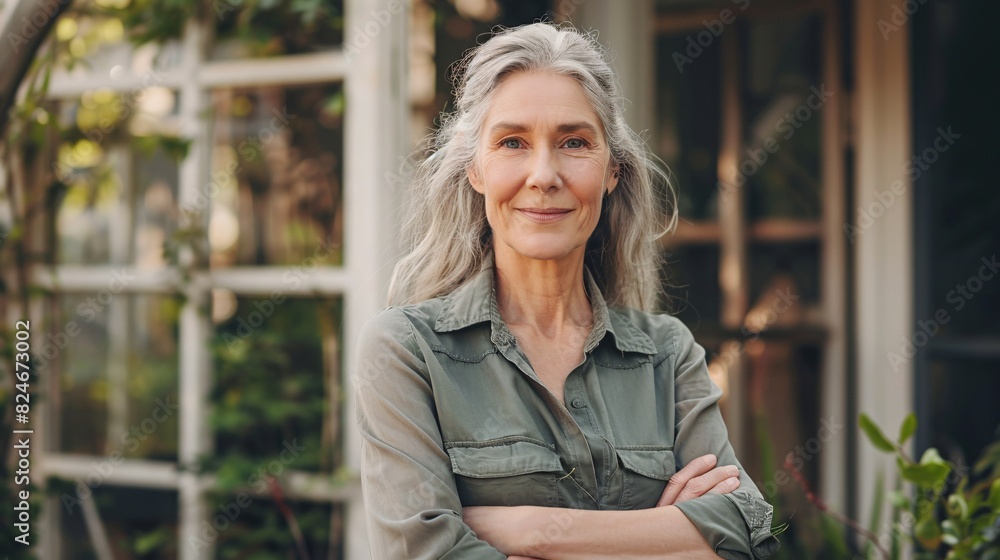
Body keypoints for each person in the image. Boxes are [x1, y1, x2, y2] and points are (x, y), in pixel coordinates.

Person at [355, 22, 780, 560]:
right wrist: (668, 537)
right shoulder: (406, 351)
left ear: (612, 170)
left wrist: (531, 531)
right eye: (512, 142)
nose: (543, 174)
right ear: (475, 169)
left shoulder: (666, 354)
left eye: (574, 142)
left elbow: (749, 537)